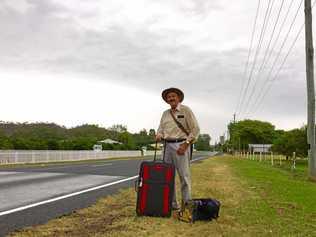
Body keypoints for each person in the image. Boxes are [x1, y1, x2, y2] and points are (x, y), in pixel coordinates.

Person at [156, 87, 200, 210]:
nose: (171, 98)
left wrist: (186, 144)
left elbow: (195, 129)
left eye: (173, 96)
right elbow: (160, 129)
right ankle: (172, 204)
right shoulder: (165, 113)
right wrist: (159, 134)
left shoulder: (186, 110)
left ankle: (186, 205)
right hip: (166, 146)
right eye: (168, 97)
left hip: (181, 145)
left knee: (184, 177)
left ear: (178, 98)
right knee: (167, 176)